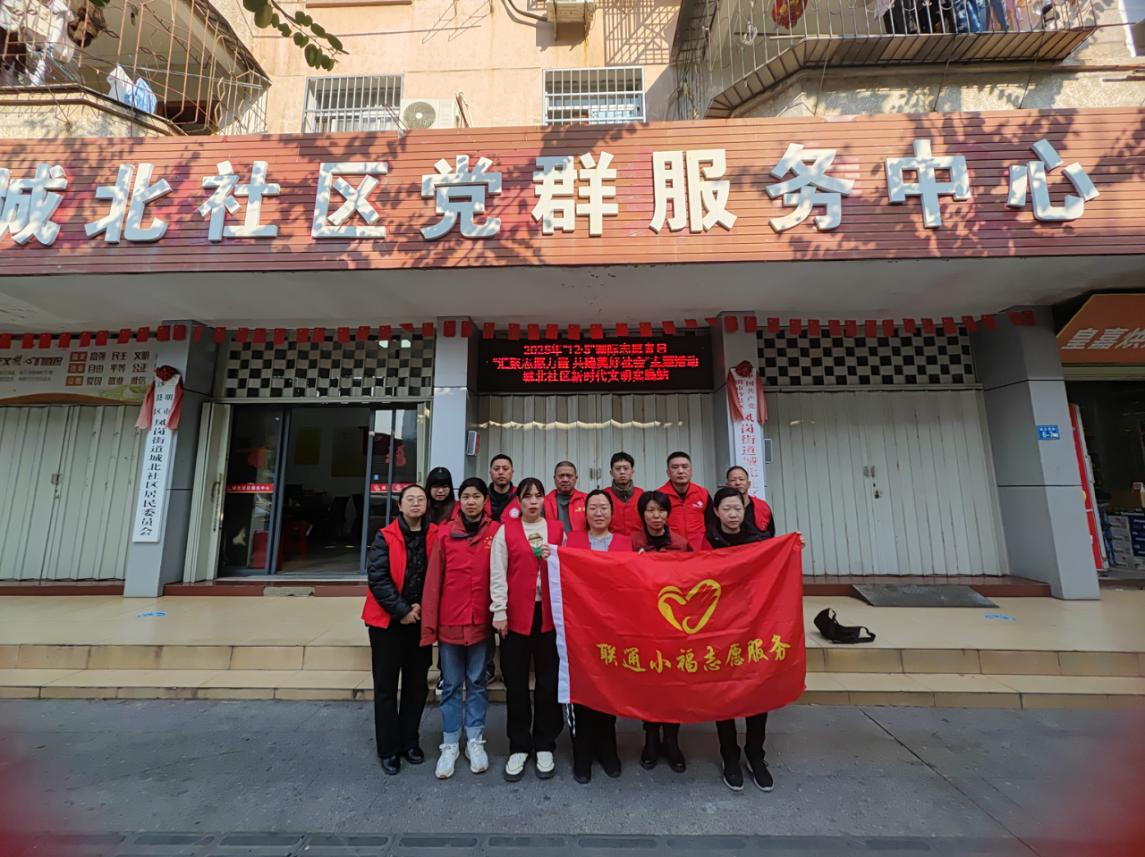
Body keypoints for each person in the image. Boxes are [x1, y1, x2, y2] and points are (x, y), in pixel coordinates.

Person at [421, 477, 497, 779]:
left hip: (481, 622)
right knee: (451, 684)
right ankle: (450, 743)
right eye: (466, 496)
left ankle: (475, 739)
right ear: (459, 501)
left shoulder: (496, 532)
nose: (471, 501)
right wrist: (429, 625)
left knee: (477, 682)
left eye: (476, 496)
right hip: (450, 622)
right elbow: (433, 582)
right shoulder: (444, 534)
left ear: (485, 500)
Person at [489, 477, 565, 782]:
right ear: (518, 501)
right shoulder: (505, 531)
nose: (533, 501)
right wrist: (499, 610)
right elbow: (498, 573)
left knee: (548, 682)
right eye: (527, 496)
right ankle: (519, 745)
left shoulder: (557, 530)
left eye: (538, 496)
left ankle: (545, 743)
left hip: (549, 616)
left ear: (544, 500)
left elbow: (569, 570)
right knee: (517, 683)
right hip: (516, 616)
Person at [703, 486, 776, 793]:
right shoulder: (705, 544)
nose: (732, 514)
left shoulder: (760, 542)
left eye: (737, 508)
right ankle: (729, 754)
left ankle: (755, 753)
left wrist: (792, 547)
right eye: (726, 509)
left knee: (757, 690)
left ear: (744, 510)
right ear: (716, 512)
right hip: (719, 627)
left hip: (753, 625)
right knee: (724, 692)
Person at [362, 484, 437, 776]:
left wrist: (420, 609)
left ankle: (410, 742)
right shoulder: (385, 536)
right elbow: (377, 577)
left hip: (420, 622)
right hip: (387, 623)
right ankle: (388, 748)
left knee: (416, 686)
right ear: (400, 506)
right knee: (386, 687)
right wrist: (403, 610)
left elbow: (440, 575)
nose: (416, 503)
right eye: (410, 499)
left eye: (421, 499)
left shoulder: (436, 535)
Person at [563, 489, 632, 783]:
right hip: (580, 628)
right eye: (593, 507)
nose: (599, 512)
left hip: (613, 629)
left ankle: (608, 749)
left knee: (609, 690)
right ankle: (583, 752)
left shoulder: (624, 543)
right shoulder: (571, 542)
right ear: (585, 512)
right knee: (582, 691)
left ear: (612, 513)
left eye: (604, 507)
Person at [629, 489, 689, 773]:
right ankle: (651, 738)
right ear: (642, 514)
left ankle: (672, 740)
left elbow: (693, 578)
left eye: (661, 511)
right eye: (650, 511)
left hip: (674, 625)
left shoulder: (681, 544)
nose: (656, 516)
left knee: (674, 682)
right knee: (649, 682)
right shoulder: (631, 543)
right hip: (643, 623)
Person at [657, 451, 710, 551]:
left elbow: (711, 523)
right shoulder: (659, 496)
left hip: (700, 551)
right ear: (668, 472)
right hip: (671, 550)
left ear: (691, 471)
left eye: (685, 467)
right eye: (675, 467)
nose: (680, 471)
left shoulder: (703, 493)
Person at [725, 466, 775, 538]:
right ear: (727, 485)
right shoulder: (721, 508)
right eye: (733, 480)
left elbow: (770, 533)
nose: (738, 483)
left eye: (741, 479)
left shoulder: (762, 506)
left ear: (748, 484)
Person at [604, 452, 643, 538]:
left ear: (632, 471)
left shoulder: (641, 495)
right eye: (618, 469)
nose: (622, 472)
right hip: (611, 543)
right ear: (611, 472)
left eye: (626, 468)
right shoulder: (603, 496)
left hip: (638, 543)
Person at [543, 460, 587, 531]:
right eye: (561, 476)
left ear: (576, 478)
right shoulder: (544, 502)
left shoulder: (587, 500)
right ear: (554, 478)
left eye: (569, 476)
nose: (565, 479)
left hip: (580, 538)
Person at [486, 454, 521, 523]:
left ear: (512, 472)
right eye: (496, 469)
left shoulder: (520, 495)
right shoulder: (482, 495)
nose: (501, 472)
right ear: (490, 472)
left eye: (505, 469)